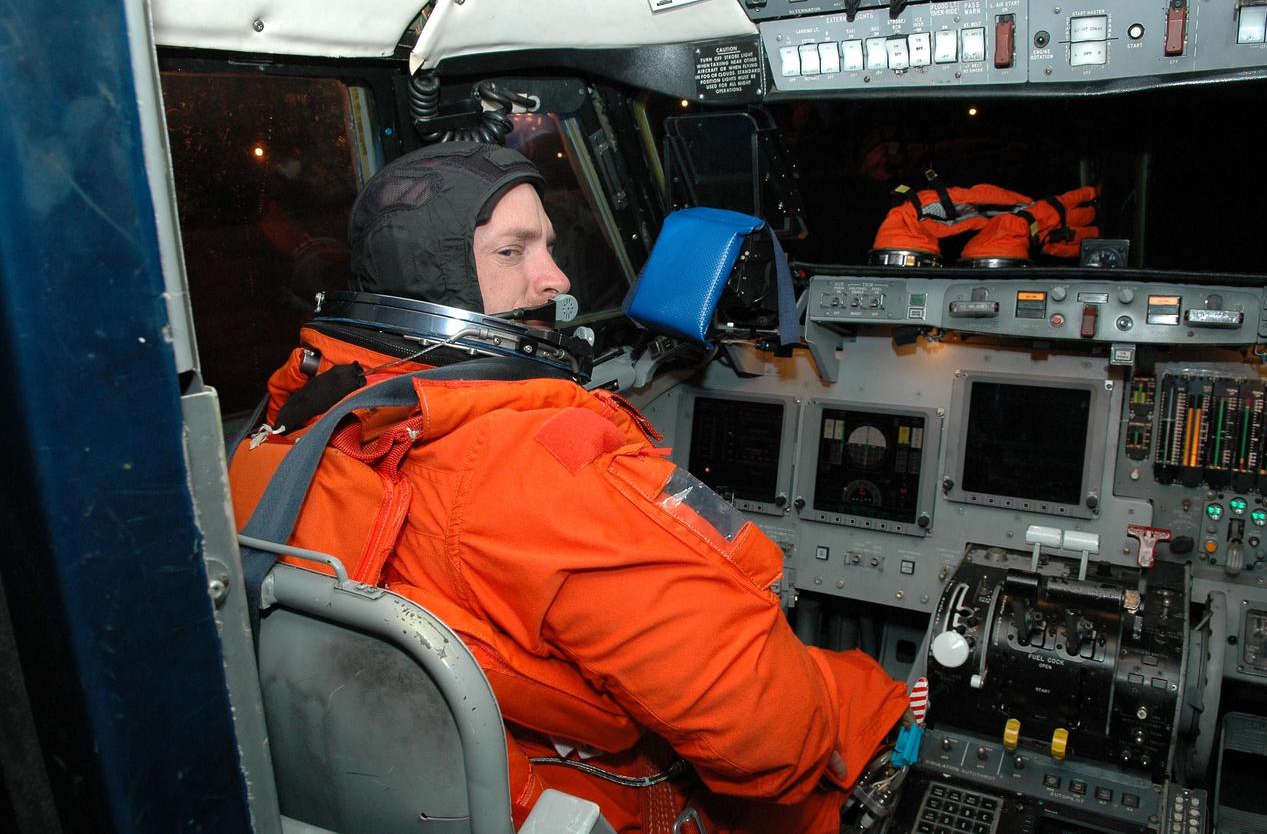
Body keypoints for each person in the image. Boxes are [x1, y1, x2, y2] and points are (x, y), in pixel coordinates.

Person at [228, 141, 909, 833]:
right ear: (433, 279)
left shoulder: (298, 419)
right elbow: (776, 737)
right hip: (617, 802)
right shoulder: (536, 465)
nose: (556, 277)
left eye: (548, 246)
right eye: (511, 252)